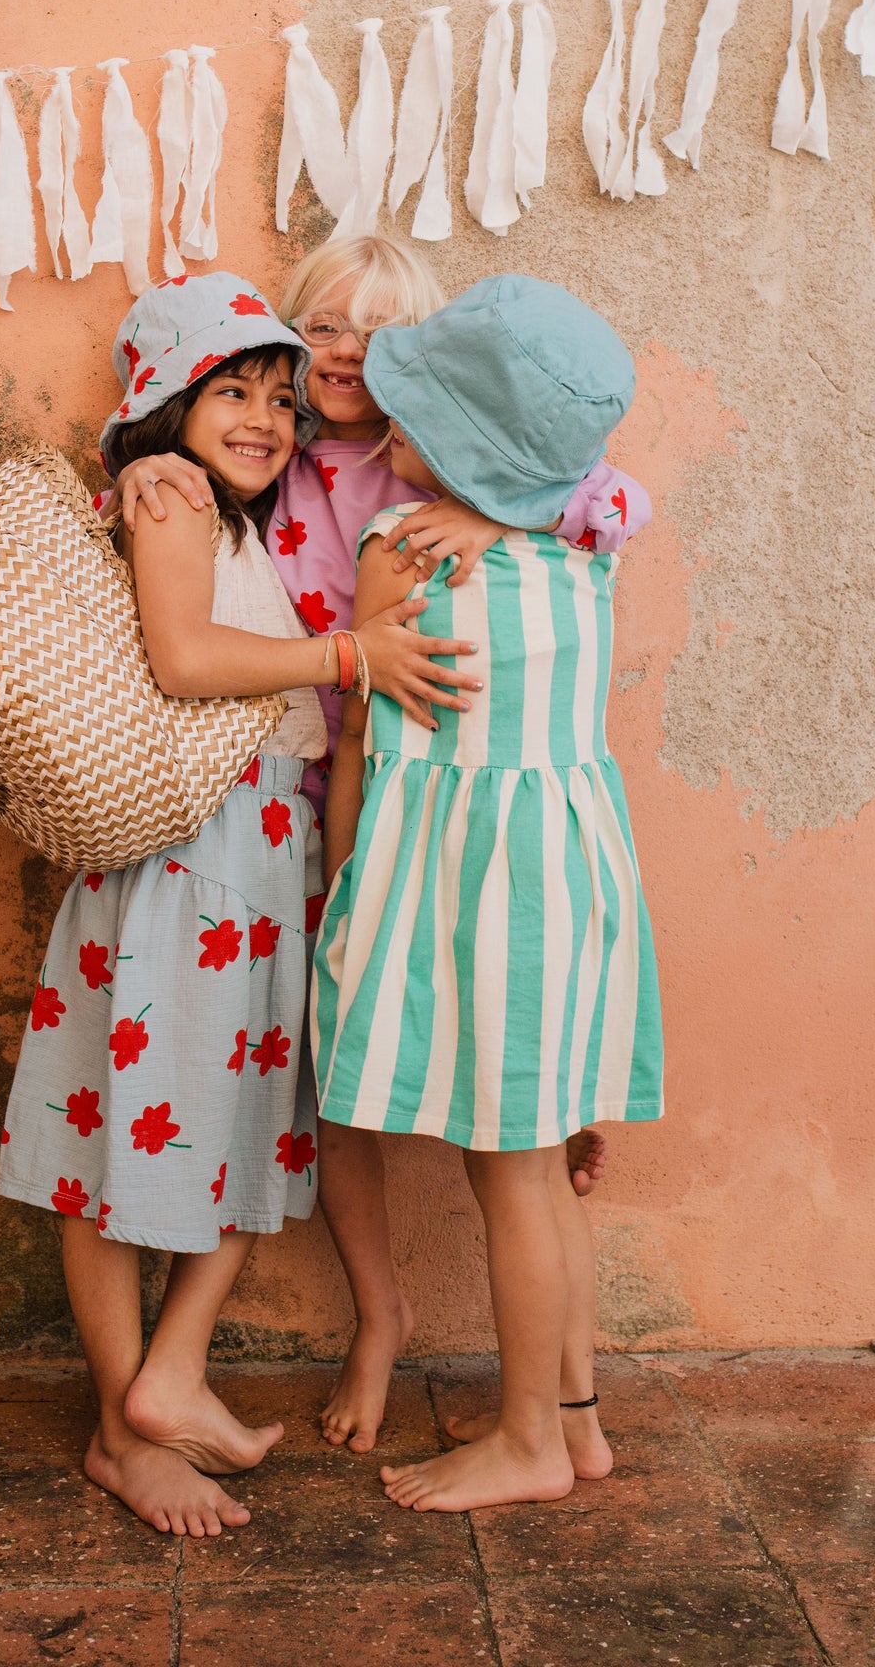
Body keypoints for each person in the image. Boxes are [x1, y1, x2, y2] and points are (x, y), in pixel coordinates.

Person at [111, 236, 651, 1451]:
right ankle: (380, 1316)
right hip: (316, 783)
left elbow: (604, 494)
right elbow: (190, 483)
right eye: (325, 326)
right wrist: (144, 479)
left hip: (428, 793)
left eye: (376, 330)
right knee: (332, 1075)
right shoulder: (275, 452)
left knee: (494, 1088)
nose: (346, 350)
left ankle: (548, 1361)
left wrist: (481, 502)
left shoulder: (437, 474)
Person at [0, 272, 473, 1538]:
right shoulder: (173, 496)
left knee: (244, 1122)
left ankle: (163, 1377)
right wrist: (346, 656)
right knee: (120, 1147)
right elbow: (183, 659)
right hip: (181, 862)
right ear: (165, 402)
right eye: (232, 390)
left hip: (253, 867)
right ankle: (125, 1425)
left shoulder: (241, 513)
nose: (265, 414)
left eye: (277, 394)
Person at [314, 275, 663, 1512]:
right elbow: (591, 494)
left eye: (413, 408)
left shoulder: (392, 549)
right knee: (543, 1172)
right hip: (571, 887)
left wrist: (347, 881)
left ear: (454, 441)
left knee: (509, 1173)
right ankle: (571, 1418)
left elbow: (359, 741)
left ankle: (522, 1442)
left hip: (475, 894)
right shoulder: (585, 552)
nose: (387, 423)